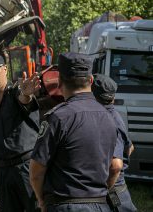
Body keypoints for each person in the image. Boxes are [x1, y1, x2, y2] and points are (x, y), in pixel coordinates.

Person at [30, 52, 119, 212]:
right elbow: (114, 166)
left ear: (59, 82)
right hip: (100, 205)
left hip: (64, 205)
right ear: (91, 80)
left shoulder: (57, 117)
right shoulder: (110, 117)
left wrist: (41, 200)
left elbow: (36, 171)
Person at [0, 51, 41, 212]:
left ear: (5, 69)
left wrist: (27, 94)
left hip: (27, 168)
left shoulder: (16, 93)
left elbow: (25, 99)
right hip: (4, 172)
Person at [92, 73, 137, 212]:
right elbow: (130, 147)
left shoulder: (107, 119)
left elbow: (116, 166)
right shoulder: (115, 114)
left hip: (113, 191)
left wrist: (105, 190)